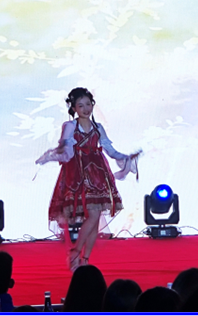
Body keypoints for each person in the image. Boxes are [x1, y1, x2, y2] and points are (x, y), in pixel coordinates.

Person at [35, 87, 140, 270]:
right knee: (93, 215)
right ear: (74, 108)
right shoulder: (70, 126)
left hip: (97, 173)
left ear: (93, 104)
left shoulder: (98, 127)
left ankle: (85, 259)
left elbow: (109, 150)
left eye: (88, 104)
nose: (85, 109)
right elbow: (65, 150)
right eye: (80, 105)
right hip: (78, 173)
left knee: (95, 216)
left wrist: (126, 157)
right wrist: (50, 156)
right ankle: (75, 252)